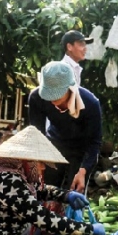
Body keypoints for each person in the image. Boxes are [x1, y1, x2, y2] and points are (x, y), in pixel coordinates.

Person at [28, 61, 102, 193]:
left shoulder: (91, 103)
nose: (52, 100)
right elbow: (37, 133)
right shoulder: (37, 98)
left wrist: (83, 171)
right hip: (53, 146)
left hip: (81, 151)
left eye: (56, 95)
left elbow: (94, 142)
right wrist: (38, 160)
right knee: (46, 191)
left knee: (73, 193)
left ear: (70, 88)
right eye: (48, 95)